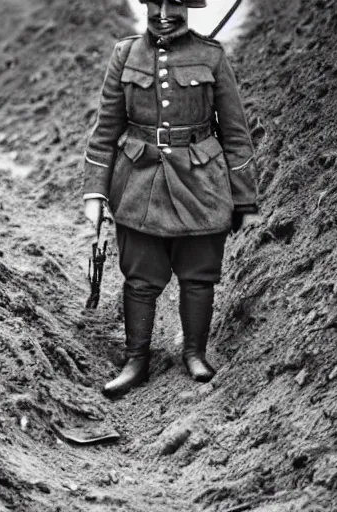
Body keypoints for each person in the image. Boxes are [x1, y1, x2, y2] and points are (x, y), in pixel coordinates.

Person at [82, 0, 259, 398]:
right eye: (155, 2)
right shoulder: (125, 55)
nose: (164, 12)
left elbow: (234, 132)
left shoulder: (210, 56)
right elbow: (105, 130)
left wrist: (245, 201)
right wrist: (95, 190)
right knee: (141, 277)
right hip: (139, 182)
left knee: (199, 275)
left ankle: (195, 353)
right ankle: (136, 360)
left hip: (201, 183)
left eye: (175, 3)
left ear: (188, 6)